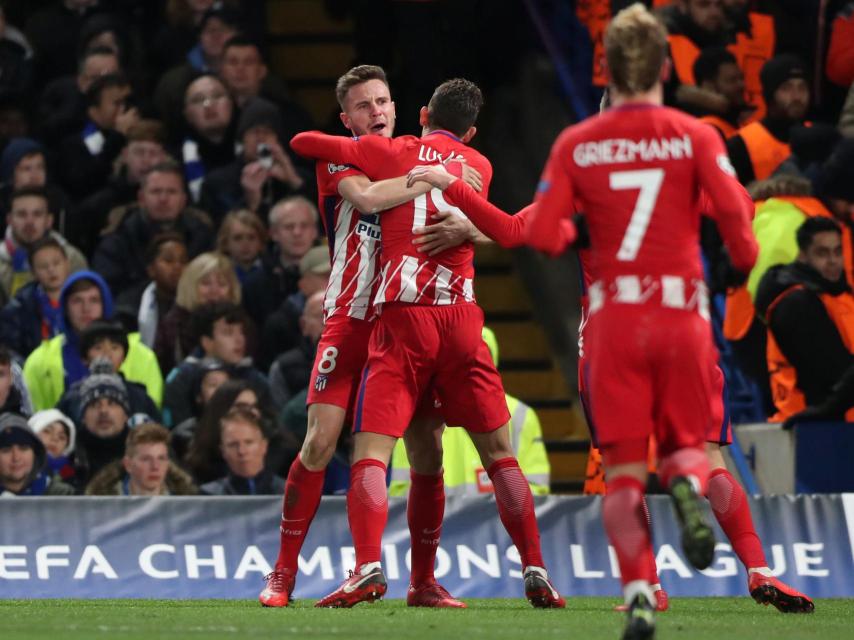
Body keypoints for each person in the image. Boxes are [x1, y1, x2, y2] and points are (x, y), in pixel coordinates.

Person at [409, 5, 761, 635]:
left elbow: (533, 231)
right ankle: (759, 569)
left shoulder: (581, 149)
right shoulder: (694, 138)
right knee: (706, 452)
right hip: (680, 317)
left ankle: (645, 588)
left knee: (623, 467)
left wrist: (458, 194)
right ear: (662, 68)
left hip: (610, 329)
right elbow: (745, 237)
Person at [290, 77, 564, 611]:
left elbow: (306, 142)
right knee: (499, 455)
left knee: (371, 448)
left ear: (418, 113)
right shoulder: (479, 167)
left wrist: (400, 169)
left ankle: (368, 565)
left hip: (404, 319)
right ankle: (535, 566)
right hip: (463, 323)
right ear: (473, 131)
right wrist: (466, 223)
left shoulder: (398, 151)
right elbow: (507, 230)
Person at [259, 65, 484, 610]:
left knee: (426, 448)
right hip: (351, 317)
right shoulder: (347, 156)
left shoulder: (417, 154)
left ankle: (420, 581)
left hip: (409, 321)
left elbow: (487, 224)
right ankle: (283, 575)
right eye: (363, 106)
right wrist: (439, 176)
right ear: (347, 118)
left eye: (383, 101)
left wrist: (466, 223)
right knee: (319, 441)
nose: (377, 112)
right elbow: (363, 199)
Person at [389, 327, 550, 497]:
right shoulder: (418, 413)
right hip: (446, 522)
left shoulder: (521, 415)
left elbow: (537, 490)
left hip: (494, 523)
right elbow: (401, 492)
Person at [755, 217, 854, 424]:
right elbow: (830, 374)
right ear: (803, 255)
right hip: (812, 429)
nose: (833, 261)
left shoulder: (838, 295)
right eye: (822, 253)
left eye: (837, 252)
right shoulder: (796, 304)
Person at [23, 270, 163, 411]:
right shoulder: (39, 361)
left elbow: (151, 411)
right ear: (65, 307)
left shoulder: (142, 356)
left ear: (106, 303)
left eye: (94, 300)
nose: (86, 308)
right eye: (77, 301)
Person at [92, 160, 215, 296]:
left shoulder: (202, 238)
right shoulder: (117, 243)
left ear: (183, 200)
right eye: (156, 191)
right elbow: (109, 292)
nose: (163, 199)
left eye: (171, 192)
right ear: (141, 198)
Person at [199, 97, 309, 224]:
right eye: (254, 132)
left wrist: (293, 181)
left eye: (267, 132)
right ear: (242, 138)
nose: (261, 138)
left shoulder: (301, 177)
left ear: (277, 140)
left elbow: (318, 221)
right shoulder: (217, 183)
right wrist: (250, 201)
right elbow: (221, 231)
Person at [162, 302, 269, 427]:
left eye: (241, 332)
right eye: (228, 333)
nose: (239, 340)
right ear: (207, 342)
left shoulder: (254, 378)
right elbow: (178, 429)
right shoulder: (182, 379)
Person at [70, 119, 168, 255]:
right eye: (139, 152)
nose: (146, 160)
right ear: (125, 155)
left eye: (153, 153)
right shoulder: (97, 205)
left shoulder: (173, 199)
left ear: (163, 157)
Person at [726, 55, 810, 185]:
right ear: (769, 95)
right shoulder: (741, 144)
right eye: (786, 88)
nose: (797, 96)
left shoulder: (817, 137)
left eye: (802, 88)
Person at [57, 320, 161, 425]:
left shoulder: (139, 397)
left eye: (114, 348)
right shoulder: (71, 398)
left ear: (124, 357)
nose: (107, 354)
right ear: (84, 358)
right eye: (98, 348)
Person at [154, 251, 241, 375]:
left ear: (232, 290)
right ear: (190, 286)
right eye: (206, 283)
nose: (214, 291)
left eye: (222, 284)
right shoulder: (171, 326)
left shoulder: (244, 325)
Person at [57, 73, 139, 201]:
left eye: (127, 102)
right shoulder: (74, 145)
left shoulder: (144, 134)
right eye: (117, 103)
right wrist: (117, 137)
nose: (124, 109)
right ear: (93, 111)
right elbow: (83, 184)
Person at [242, 195, 318, 330]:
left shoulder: (337, 275)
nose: (297, 232)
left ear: (315, 232)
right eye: (289, 227)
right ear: (273, 233)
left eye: (304, 226)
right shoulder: (255, 284)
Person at [0, 186, 86, 303]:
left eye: (37, 214)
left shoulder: (72, 258)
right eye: (21, 214)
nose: (29, 221)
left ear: (49, 220)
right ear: (9, 220)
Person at [0, 236, 71, 359]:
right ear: (33, 272)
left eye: (56, 263)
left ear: (67, 264)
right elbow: (11, 353)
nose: (51, 270)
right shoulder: (18, 309)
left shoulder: (84, 299)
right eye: (43, 266)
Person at [114, 233, 188, 348]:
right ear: (151, 269)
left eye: (183, 261)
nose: (177, 266)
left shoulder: (195, 303)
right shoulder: (129, 308)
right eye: (169, 260)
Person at [85, 422, 197, 495]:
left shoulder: (186, 503)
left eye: (161, 458)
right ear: (128, 465)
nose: (155, 467)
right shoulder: (102, 504)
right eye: (146, 459)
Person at [73, 362, 134, 486]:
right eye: (95, 404)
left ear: (125, 415)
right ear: (83, 417)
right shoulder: (70, 458)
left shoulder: (146, 454)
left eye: (112, 403)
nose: (103, 411)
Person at [200, 408, 285, 495]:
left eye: (249, 442)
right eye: (233, 444)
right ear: (223, 451)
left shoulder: (288, 492)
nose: (242, 451)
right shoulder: (209, 496)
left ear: (264, 446)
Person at [268, 290, 324, 409]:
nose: (328, 322)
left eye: (335, 315)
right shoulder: (283, 368)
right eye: (321, 316)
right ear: (304, 325)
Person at [0, 412, 75, 496]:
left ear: (35, 454)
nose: (16, 458)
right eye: (6, 450)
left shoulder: (63, 496)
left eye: (24, 448)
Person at [216, 209, 266, 285]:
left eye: (251, 238)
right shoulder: (217, 273)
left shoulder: (272, 272)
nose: (245, 244)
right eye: (238, 238)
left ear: (261, 242)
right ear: (225, 243)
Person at [29, 408, 77, 487]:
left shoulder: (70, 477)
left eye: (62, 437)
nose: (55, 439)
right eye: (47, 431)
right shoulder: (19, 468)